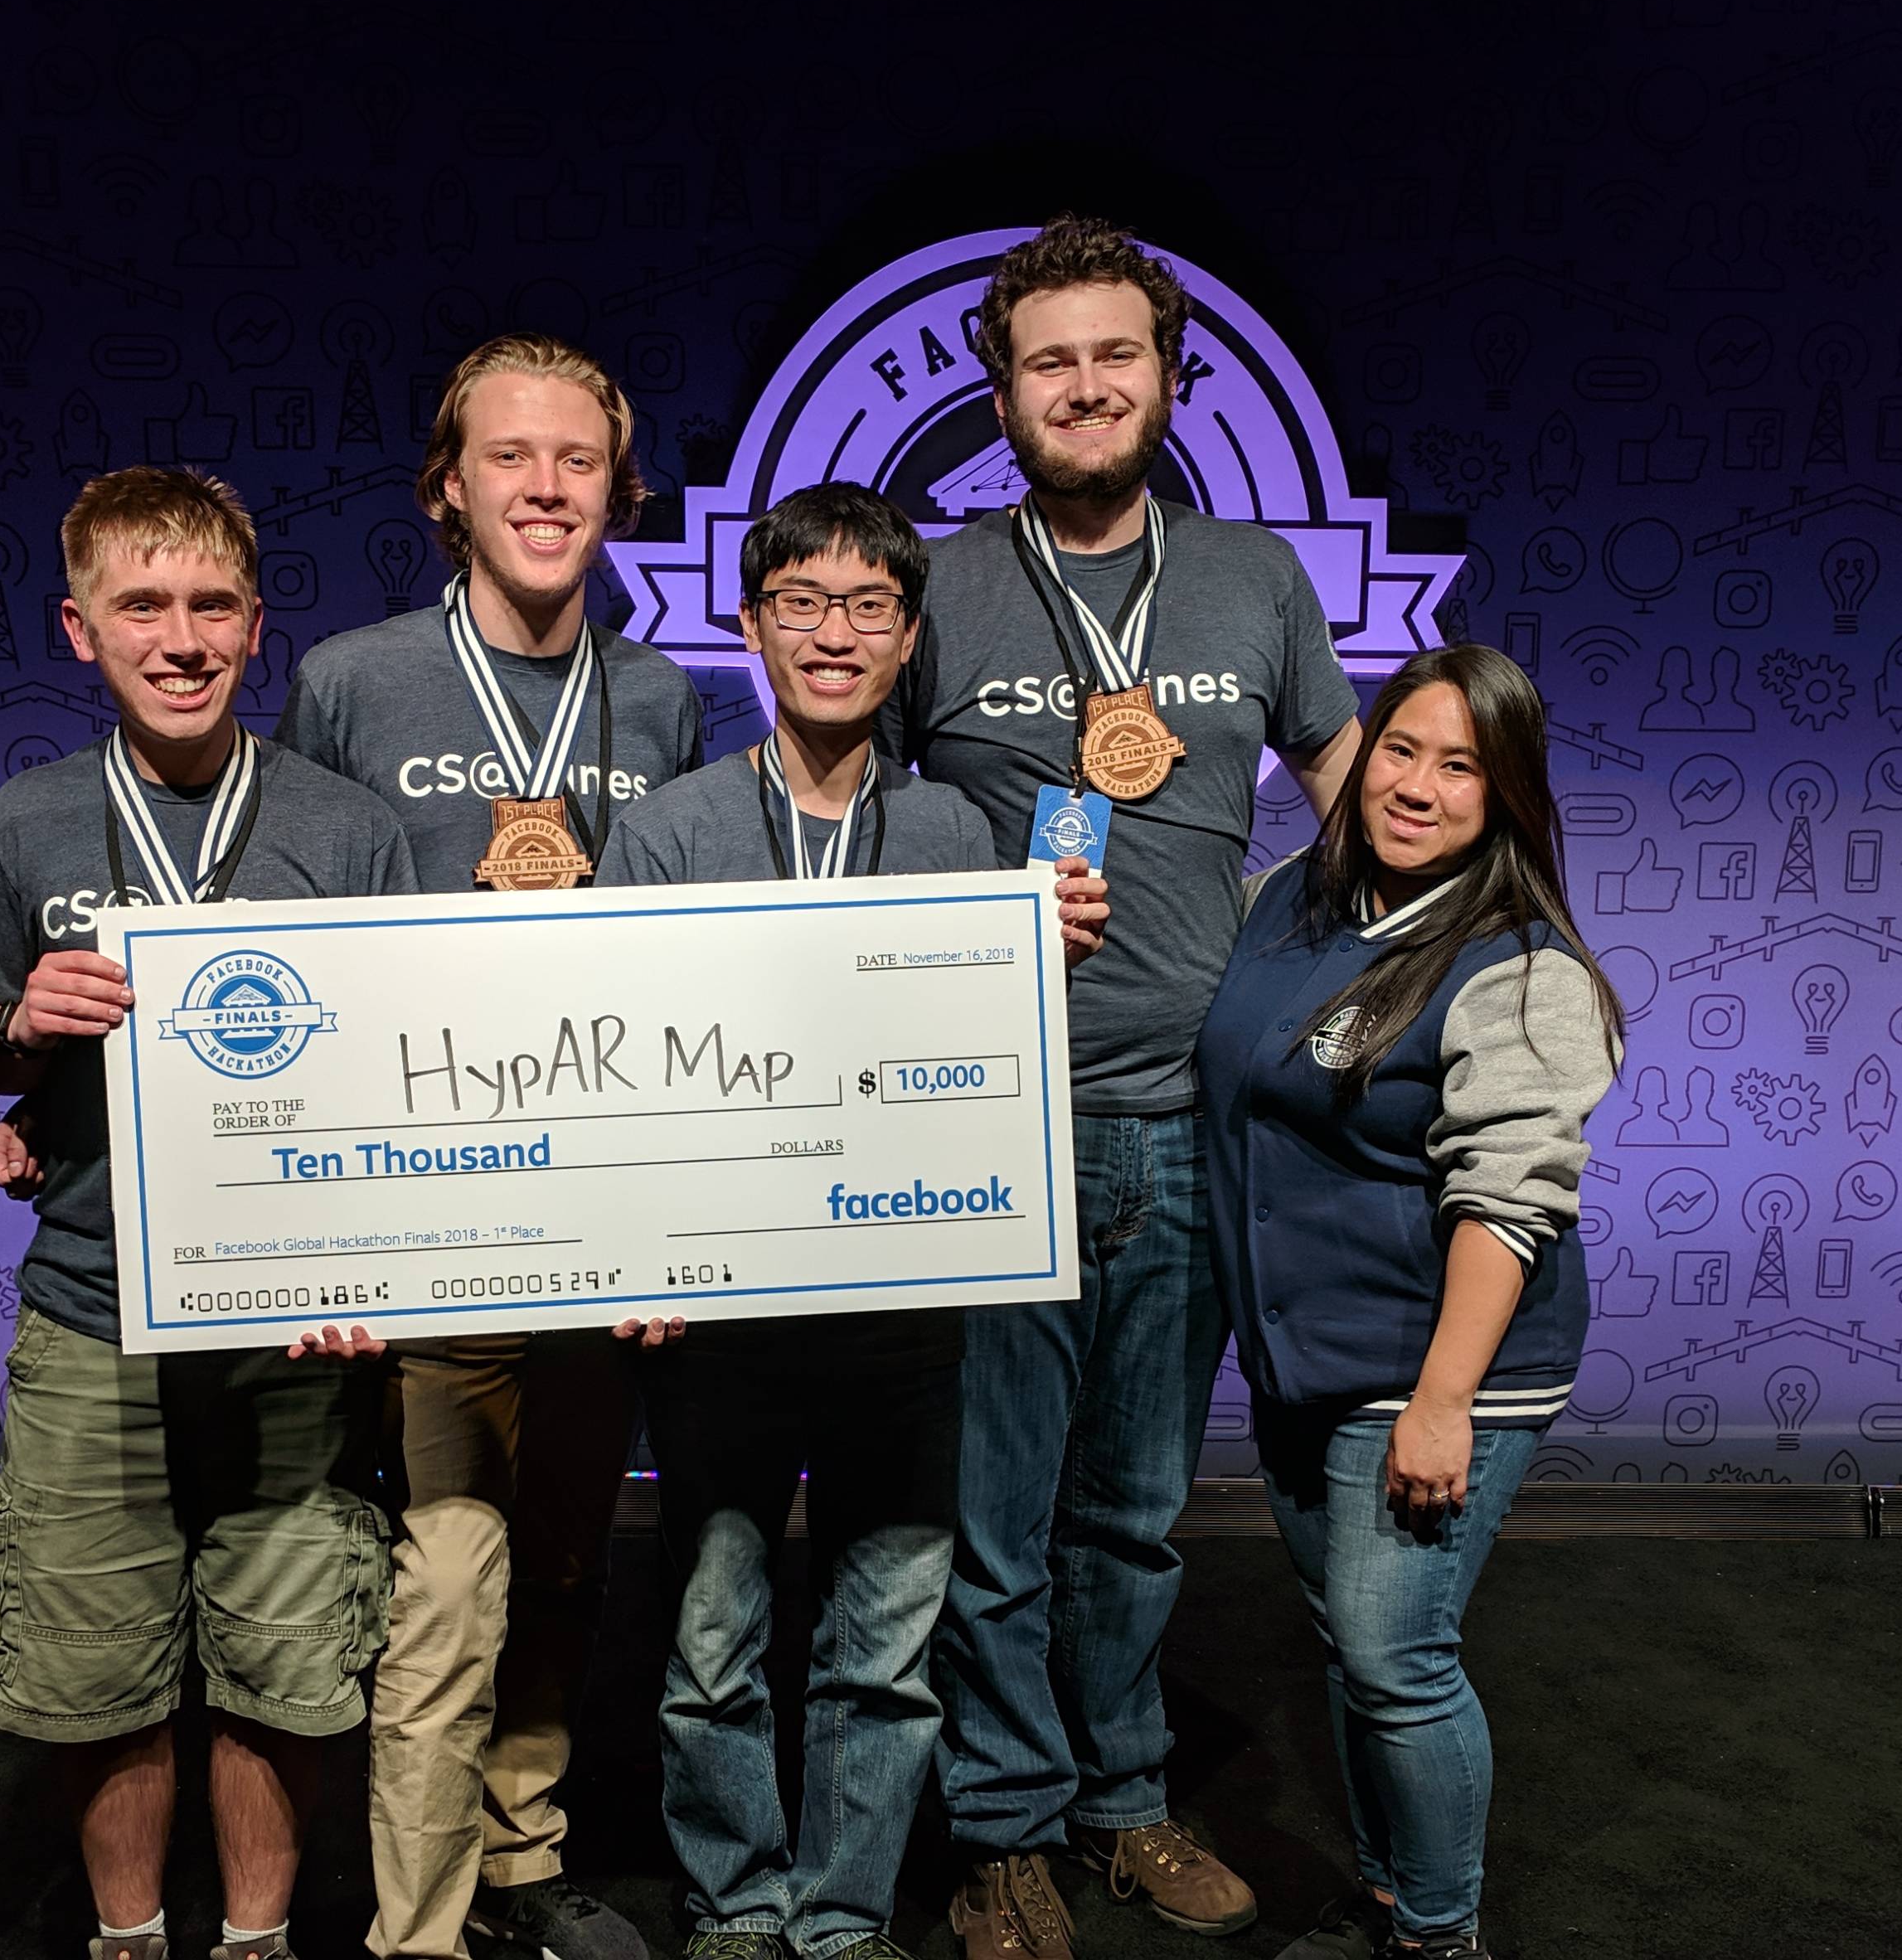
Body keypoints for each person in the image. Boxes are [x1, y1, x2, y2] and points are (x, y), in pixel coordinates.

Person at [878, 215, 1366, 1955]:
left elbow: (1362, 791)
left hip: (1191, 1127)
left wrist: (1440, 963)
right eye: (1049, 361)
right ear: (999, 391)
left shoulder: (1253, 581)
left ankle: (1124, 1798)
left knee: (1138, 1513)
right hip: (987, 1124)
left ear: (1170, 377)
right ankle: (1002, 1825)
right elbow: (841, 811)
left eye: (1117, 355)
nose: (1086, 387)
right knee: (993, 1512)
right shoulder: (932, 583)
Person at [596, 483, 1109, 1960]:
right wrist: (635, 1258)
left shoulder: (961, 835)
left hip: (903, 1325)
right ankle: (737, 1904)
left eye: (869, 608)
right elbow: (621, 1065)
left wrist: (1037, 961)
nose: (834, 633)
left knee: (884, 1648)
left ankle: (840, 1916)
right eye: (801, 604)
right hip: (720, 1329)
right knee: (710, 1647)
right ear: (749, 626)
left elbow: (980, 1075)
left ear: (906, 642)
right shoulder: (673, 826)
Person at [276, 335, 701, 1960]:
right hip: (433, 1209)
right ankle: (421, 1918)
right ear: (447, 488)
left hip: (596, 1210)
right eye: (509, 458)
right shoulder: (354, 683)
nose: (544, 487)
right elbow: (297, 954)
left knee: (574, 1557)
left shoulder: (665, 700)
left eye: (577, 461)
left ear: (618, 488)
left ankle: (527, 1852)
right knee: (448, 1582)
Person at [0, 467, 417, 1960]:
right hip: (97, 1311)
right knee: (102, 1672)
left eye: (209, 604)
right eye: (139, 606)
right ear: (78, 628)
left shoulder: (347, 834)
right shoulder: (22, 822)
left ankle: (258, 1944)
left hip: (298, 1327)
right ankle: (128, 1939)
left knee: (283, 1668)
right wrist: (18, 1038)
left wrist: (372, 1265)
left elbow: (410, 1072)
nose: (178, 636)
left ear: (256, 626)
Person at [1196, 646, 1618, 1960]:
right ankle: (1383, 1899)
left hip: (1439, 1366)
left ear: (1504, 797)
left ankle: (1440, 1939)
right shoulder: (1285, 900)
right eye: (1400, 749)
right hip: (1304, 1355)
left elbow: (1509, 1197)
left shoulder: (1519, 964)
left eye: (1460, 767)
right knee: (1346, 1645)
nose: (1419, 787)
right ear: (1358, 751)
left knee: (1394, 1655)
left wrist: (1442, 1405)